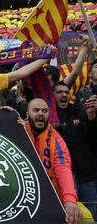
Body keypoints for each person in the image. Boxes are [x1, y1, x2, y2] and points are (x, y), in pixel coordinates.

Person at [24, 98, 82, 224]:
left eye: (44, 110)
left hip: (50, 202)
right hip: (22, 202)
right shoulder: (17, 129)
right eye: (36, 110)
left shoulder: (57, 139)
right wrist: (5, 117)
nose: (40, 113)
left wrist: (70, 201)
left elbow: (64, 168)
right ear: (27, 114)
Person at [53, 82, 97, 219]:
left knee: (94, 215)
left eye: (66, 92)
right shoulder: (47, 117)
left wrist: (91, 119)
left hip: (86, 176)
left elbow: (93, 138)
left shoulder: (79, 112)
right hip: (64, 177)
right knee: (71, 217)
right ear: (52, 96)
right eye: (59, 92)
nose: (64, 95)